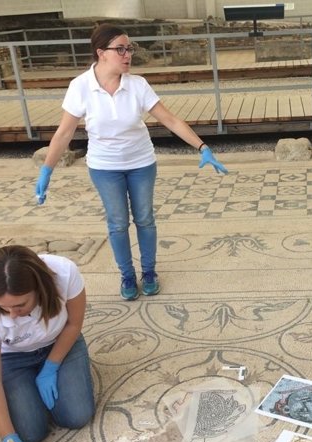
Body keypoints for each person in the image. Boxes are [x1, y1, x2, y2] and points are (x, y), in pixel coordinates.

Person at [36, 23, 227, 301]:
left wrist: (202, 147)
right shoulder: (80, 87)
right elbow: (64, 132)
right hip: (104, 167)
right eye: (121, 49)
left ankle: (148, 272)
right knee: (117, 223)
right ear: (101, 52)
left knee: (145, 219)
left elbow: (170, 119)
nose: (128, 55)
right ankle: (127, 275)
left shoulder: (137, 85)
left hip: (141, 163)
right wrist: (46, 170)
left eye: (130, 49)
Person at [0, 245, 95, 442]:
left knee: (77, 416)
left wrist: (51, 366)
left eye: (20, 305)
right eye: (3, 308)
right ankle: (29, 389)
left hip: (60, 341)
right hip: (13, 358)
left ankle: (53, 374)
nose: (12, 315)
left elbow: (74, 323)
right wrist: (7, 435)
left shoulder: (64, 273)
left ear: (40, 288)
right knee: (29, 435)